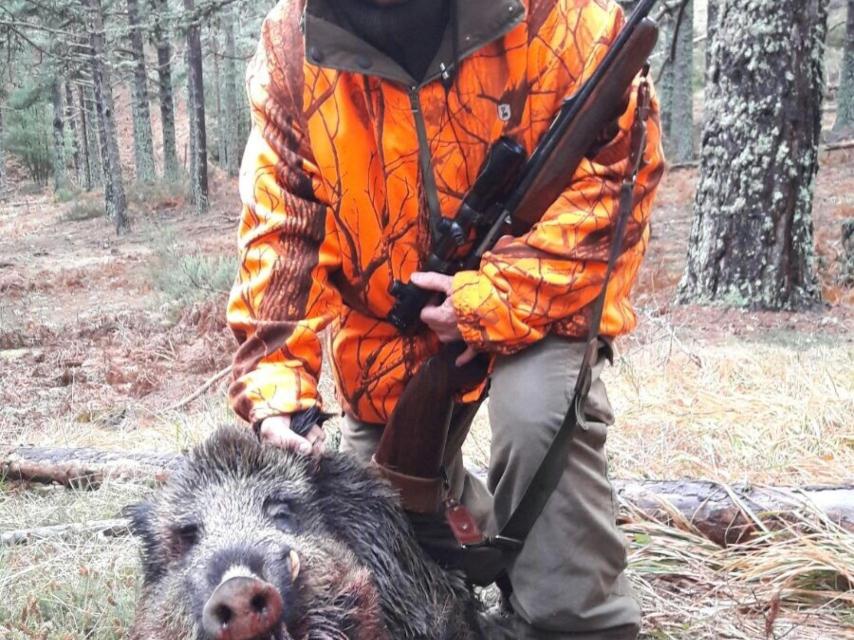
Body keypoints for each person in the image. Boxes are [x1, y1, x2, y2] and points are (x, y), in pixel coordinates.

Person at [227, 0, 664, 637]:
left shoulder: (557, 15)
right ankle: (496, 552)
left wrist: (487, 300)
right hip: (394, 326)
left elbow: (620, 171)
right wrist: (278, 394)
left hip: (540, 292)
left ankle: (574, 621)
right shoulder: (293, 43)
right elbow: (282, 227)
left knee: (535, 416)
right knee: (382, 510)